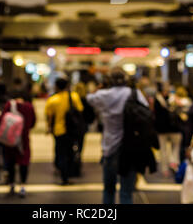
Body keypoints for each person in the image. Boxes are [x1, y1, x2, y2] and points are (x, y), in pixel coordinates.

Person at [86, 68, 148, 204]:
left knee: (108, 190)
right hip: (130, 147)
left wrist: (99, 87)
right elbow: (146, 110)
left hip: (109, 148)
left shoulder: (103, 95)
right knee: (126, 193)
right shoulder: (135, 94)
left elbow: (89, 98)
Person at [45, 76, 84, 185]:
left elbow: (49, 117)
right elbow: (80, 110)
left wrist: (48, 128)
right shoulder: (74, 97)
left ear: (56, 86)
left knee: (60, 152)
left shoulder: (53, 100)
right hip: (71, 130)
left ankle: (63, 174)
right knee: (70, 152)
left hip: (58, 130)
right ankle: (68, 173)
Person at [0, 91, 36, 198]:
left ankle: (11, 184)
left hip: (10, 139)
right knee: (23, 161)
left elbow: (2, 119)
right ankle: (23, 186)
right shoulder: (29, 107)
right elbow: (33, 122)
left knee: (10, 161)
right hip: (23, 139)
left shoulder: (9, 105)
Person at [154, 82, 183, 177]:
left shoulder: (157, 99)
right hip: (174, 128)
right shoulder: (173, 99)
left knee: (164, 150)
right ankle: (173, 163)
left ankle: (166, 168)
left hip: (162, 129)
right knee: (174, 148)